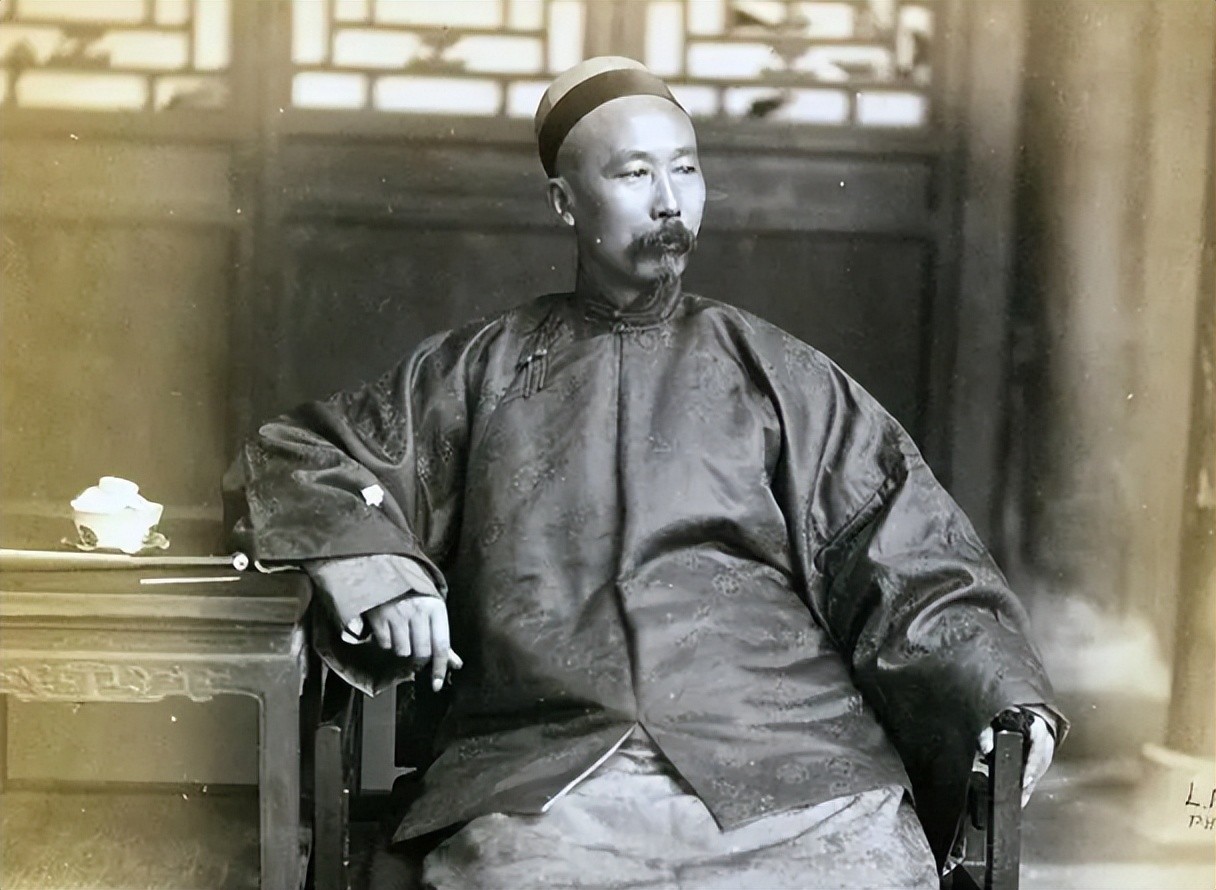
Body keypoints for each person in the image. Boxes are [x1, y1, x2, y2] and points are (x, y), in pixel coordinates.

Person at [228, 57, 1066, 889]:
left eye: (686, 170)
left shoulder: (776, 371)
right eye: (635, 174)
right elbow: (297, 452)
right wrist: (380, 570)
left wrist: (998, 691)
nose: (670, 201)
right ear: (564, 202)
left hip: (783, 755)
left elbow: (907, 549)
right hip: (549, 760)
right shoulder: (476, 370)